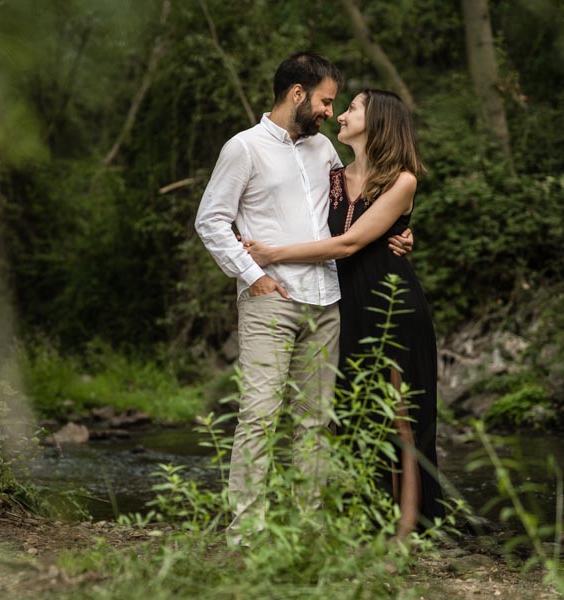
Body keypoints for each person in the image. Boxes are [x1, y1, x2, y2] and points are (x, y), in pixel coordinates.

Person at [194, 52, 412, 538]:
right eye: (325, 102)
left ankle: (306, 529)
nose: (330, 114)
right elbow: (210, 221)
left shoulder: (324, 152)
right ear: (297, 94)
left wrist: (400, 231)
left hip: (328, 301)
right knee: (260, 415)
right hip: (270, 299)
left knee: (315, 421)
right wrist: (254, 275)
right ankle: (246, 531)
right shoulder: (243, 148)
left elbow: (358, 206)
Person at [243, 89, 445, 537]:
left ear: (377, 121)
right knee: (357, 414)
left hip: (392, 302)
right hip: (343, 303)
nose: (342, 114)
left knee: (401, 419)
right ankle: (366, 521)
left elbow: (350, 242)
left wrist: (274, 254)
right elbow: (305, 218)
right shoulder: (334, 172)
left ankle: (405, 534)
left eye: (352, 108)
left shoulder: (402, 180)